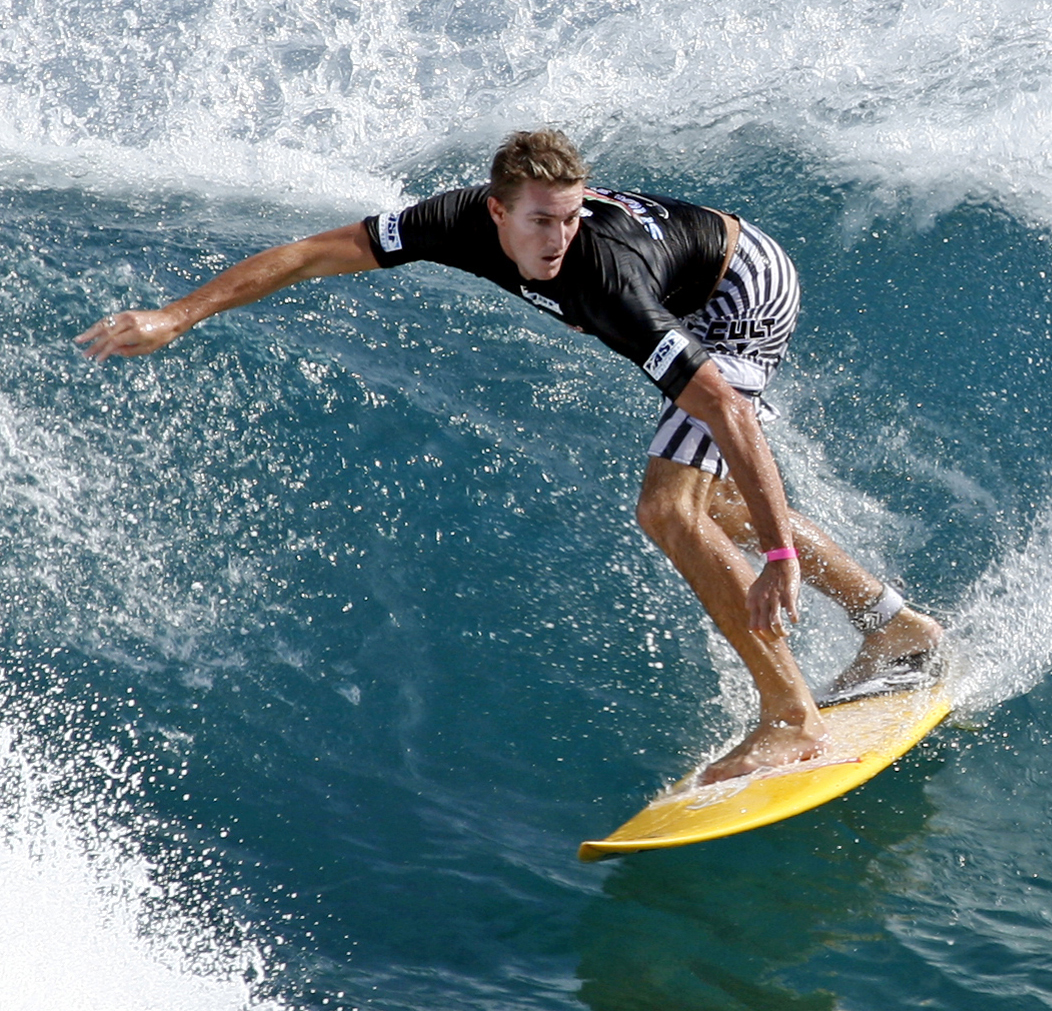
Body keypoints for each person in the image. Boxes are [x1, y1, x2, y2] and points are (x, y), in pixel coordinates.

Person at [77, 129, 943, 783]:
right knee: (709, 505)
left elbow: (723, 407)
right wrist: (176, 316)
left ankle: (791, 715)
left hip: (743, 292)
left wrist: (783, 556)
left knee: (668, 507)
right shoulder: (450, 220)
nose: (556, 238)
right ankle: (894, 624)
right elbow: (313, 253)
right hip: (699, 269)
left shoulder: (602, 279)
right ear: (494, 211)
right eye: (539, 221)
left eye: (570, 216)